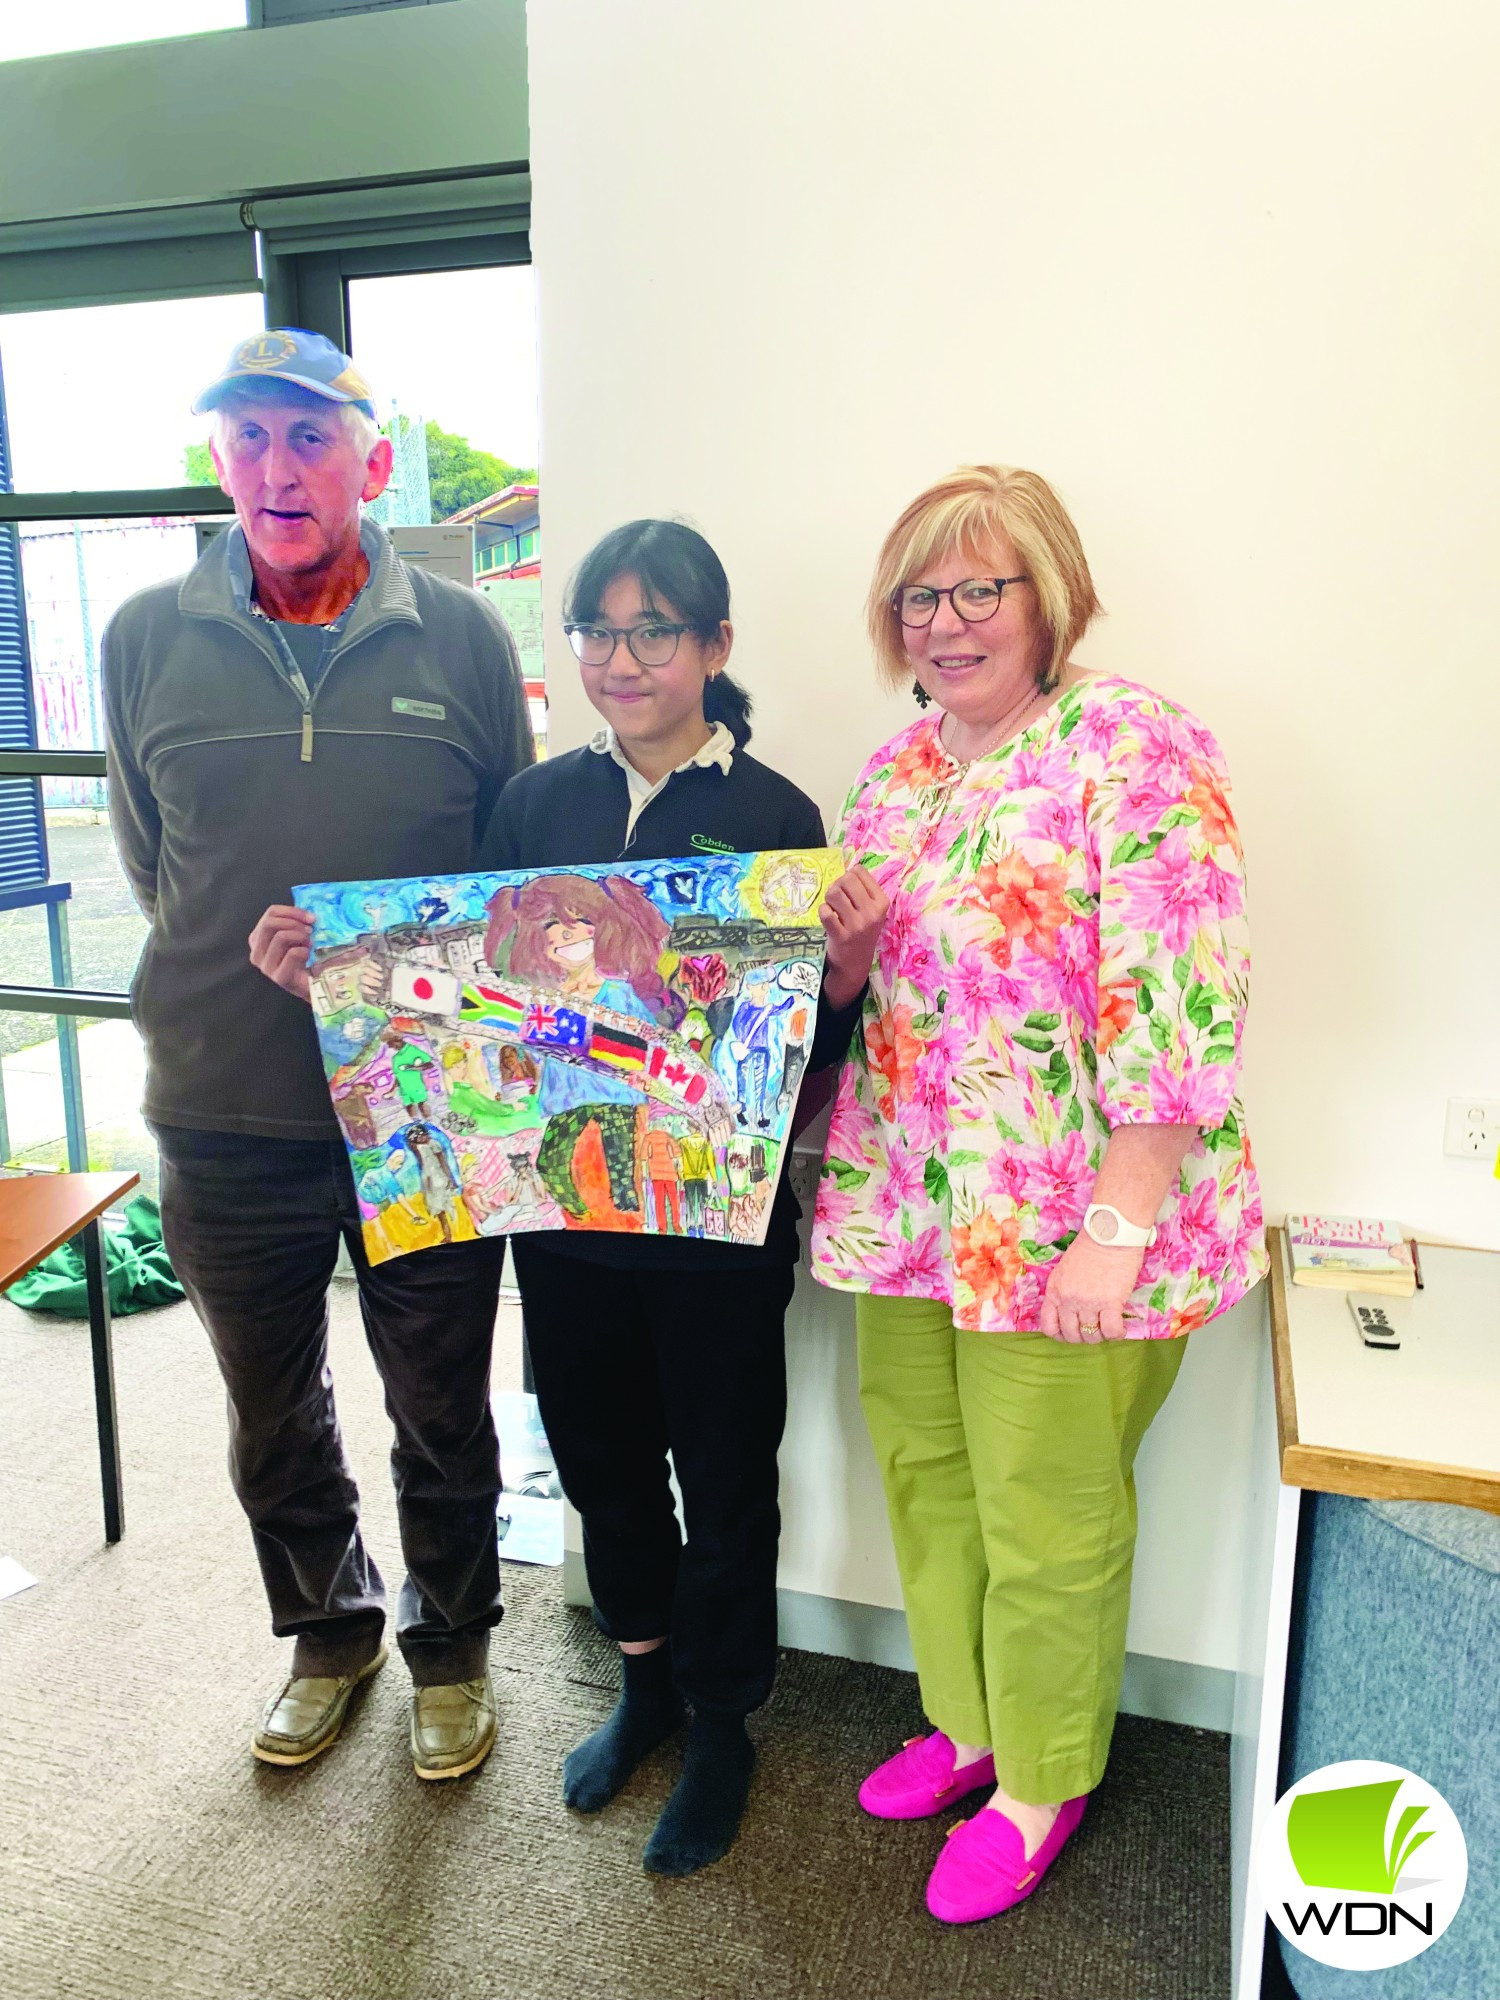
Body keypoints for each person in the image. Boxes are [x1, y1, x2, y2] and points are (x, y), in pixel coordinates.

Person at [810, 465, 1266, 1924]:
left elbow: (1182, 999)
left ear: (1048, 595)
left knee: (1048, 1517)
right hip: (908, 1205)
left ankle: (1042, 1778)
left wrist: (1115, 1232)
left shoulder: (1130, 746)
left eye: (977, 590)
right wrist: (844, 959)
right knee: (927, 1480)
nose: (945, 623)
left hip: (1069, 1226)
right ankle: (968, 1722)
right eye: (919, 598)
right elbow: (867, 998)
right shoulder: (895, 774)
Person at [102, 328, 534, 1781]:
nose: (278, 471)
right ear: (218, 460)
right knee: (269, 1405)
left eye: (309, 439)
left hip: (427, 1104)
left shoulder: (467, 639)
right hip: (224, 1106)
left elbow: (503, 891)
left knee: (439, 1399)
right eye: (248, 441)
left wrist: (373, 977)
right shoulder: (143, 640)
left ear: (373, 459)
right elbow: (163, 867)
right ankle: (330, 1633)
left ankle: (454, 1646)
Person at [479, 519, 888, 1875]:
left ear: (716, 645)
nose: (621, 657)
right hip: (571, 1218)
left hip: (717, 1230)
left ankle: (722, 1723)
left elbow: (791, 1067)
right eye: (597, 629)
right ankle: (644, 1682)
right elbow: (490, 1018)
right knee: (598, 1460)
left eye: (656, 629)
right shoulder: (536, 809)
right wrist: (358, 993)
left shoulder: (774, 819)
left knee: (723, 1477)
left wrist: (836, 991)